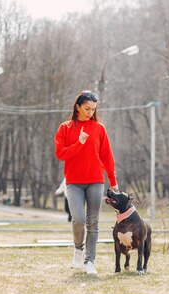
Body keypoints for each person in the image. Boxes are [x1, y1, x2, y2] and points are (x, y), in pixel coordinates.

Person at [54, 90, 118, 275]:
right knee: (79, 219)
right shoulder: (65, 128)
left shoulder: (99, 128)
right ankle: (78, 249)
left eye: (93, 109)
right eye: (87, 108)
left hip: (95, 181)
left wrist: (113, 182)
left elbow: (107, 157)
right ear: (78, 107)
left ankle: (90, 261)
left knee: (93, 222)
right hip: (73, 182)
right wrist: (79, 143)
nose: (90, 112)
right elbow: (60, 154)